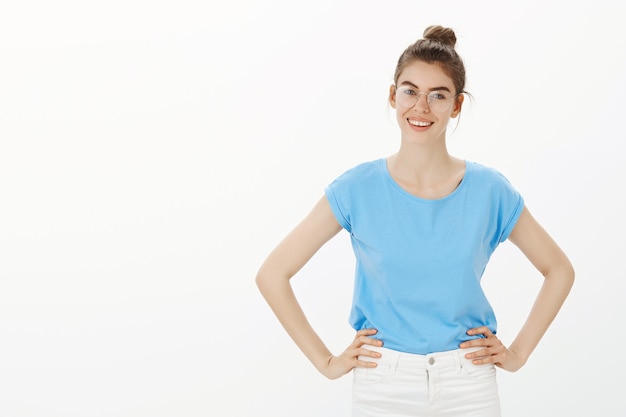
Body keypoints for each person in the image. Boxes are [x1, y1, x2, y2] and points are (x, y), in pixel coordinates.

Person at [255, 25, 574, 417]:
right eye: (410, 91)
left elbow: (558, 269)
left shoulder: (490, 191)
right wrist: (326, 362)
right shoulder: (357, 188)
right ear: (393, 96)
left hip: (468, 382)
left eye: (438, 96)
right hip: (383, 383)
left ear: (456, 105)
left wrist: (518, 354)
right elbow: (272, 274)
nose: (421, 108)